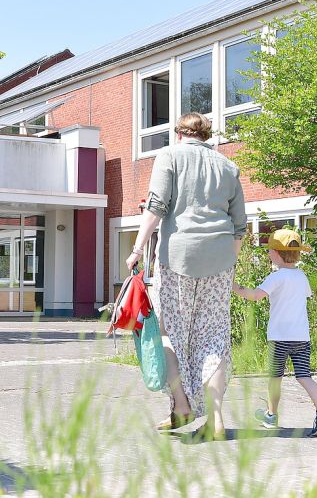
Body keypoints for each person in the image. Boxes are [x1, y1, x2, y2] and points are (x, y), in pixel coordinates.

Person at [126, 112, 246, 441]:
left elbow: (156, 207)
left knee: (168, 335)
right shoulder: (227, 166)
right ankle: (216, 419)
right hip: (220, 261)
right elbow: (239, 227)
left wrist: (137, 249)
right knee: (214, 339)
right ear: (206, 135)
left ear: (178, 133)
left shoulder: (168, 155)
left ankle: (181, 407)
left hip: (177, 258)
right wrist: (228, 266)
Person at [232, 229, 317, 437]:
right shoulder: (301, 277)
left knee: (275, 378)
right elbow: (305, 296)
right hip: (301, 338)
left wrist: (234, 287)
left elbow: (255, 296)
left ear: (277, 254)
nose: (268, 253)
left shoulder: (276, 277)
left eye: (270, 250)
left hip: (279, 338)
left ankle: (271, 415)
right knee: (304, 376)